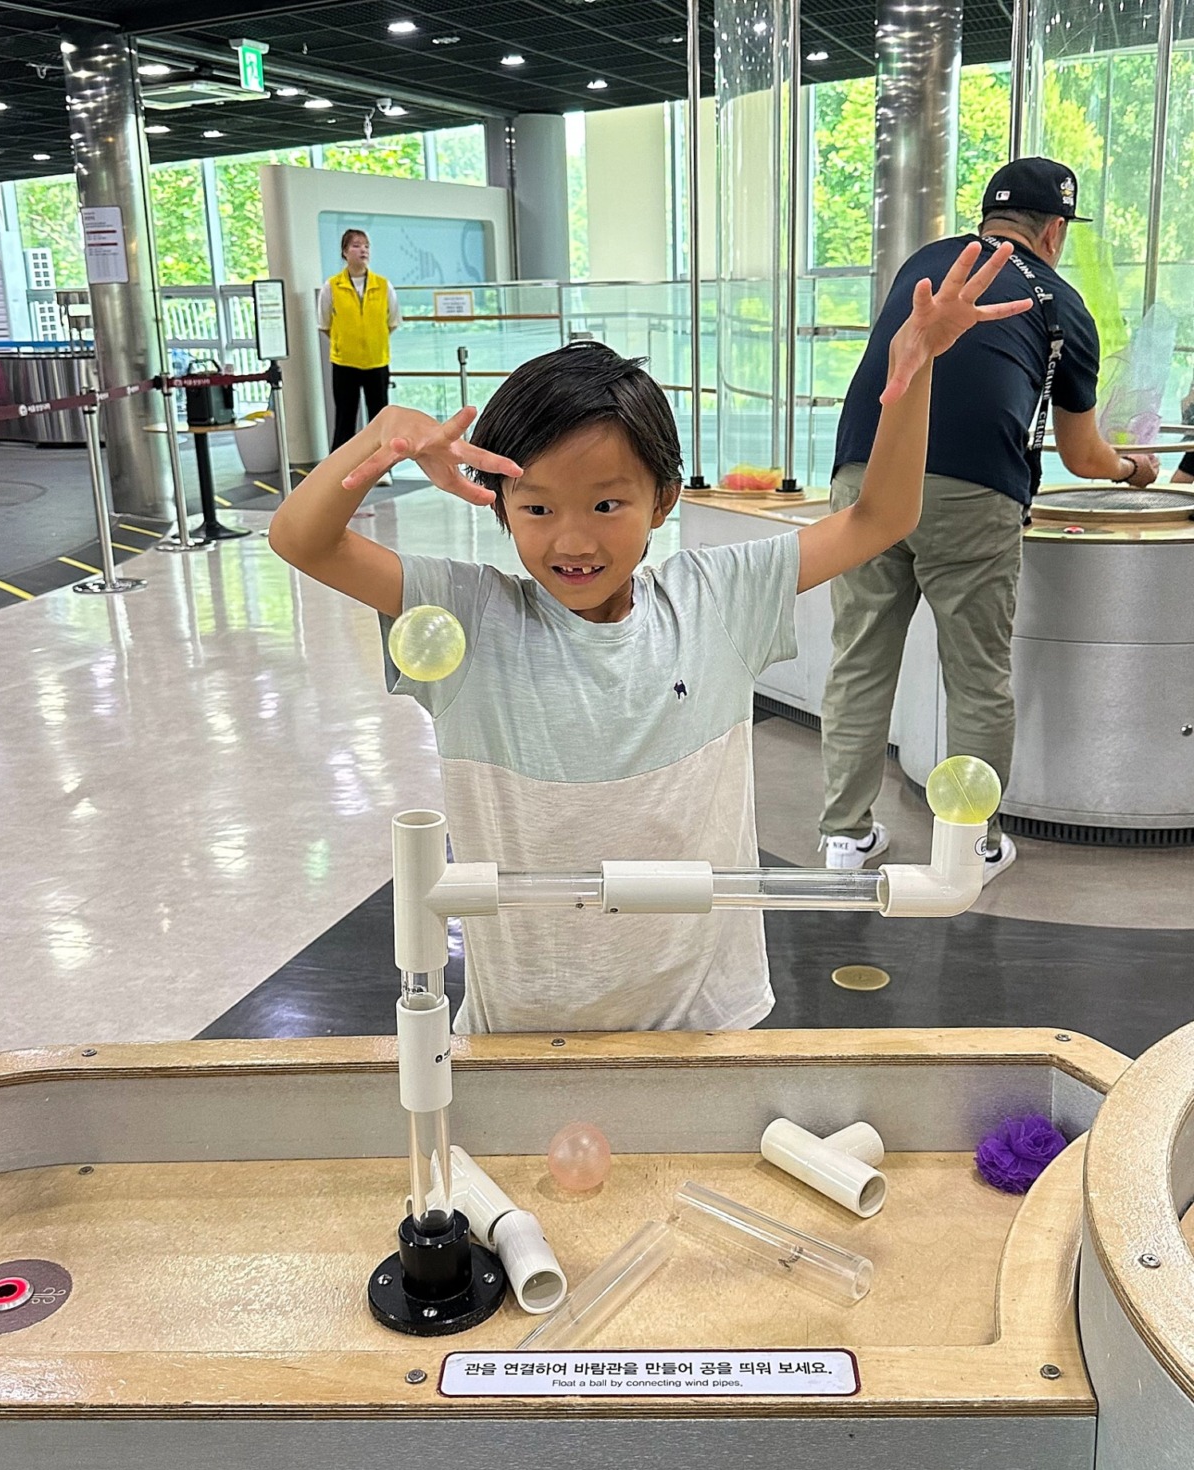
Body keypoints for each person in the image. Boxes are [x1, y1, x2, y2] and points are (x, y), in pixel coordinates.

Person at [270, 242, 1030, 1035]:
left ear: (663, 499)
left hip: (705, 1012)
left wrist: (915, 373)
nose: (573, 540)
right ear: (495, 503)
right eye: (536, 508)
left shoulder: (715, 599)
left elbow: (880, 518)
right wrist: (376, 435)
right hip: (528, 1025)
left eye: (606, 505)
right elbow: (302, 539)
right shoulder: (470, 617)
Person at [818, 157, 1160, 884]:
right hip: (974, 493)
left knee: (860, 660)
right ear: (1056, 230)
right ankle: (972, 843)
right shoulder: (1062, 304)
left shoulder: (929, 261)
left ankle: (845, 838)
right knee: (974, 676)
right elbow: (1084, 454)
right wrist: (1135, 467)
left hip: (864, 471)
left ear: (989, 219)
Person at [319, 228, 402, 454]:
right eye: (356, 246)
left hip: (377, 360)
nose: (362, 250)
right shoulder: (332, 286)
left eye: (366, 245)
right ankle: (338, 468)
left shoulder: (384, 285)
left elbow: (392, 321)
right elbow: (325, 324)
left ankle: (383, 468)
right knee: (345, 418)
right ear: (345, 252)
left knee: (380, 418)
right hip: (345, 362)